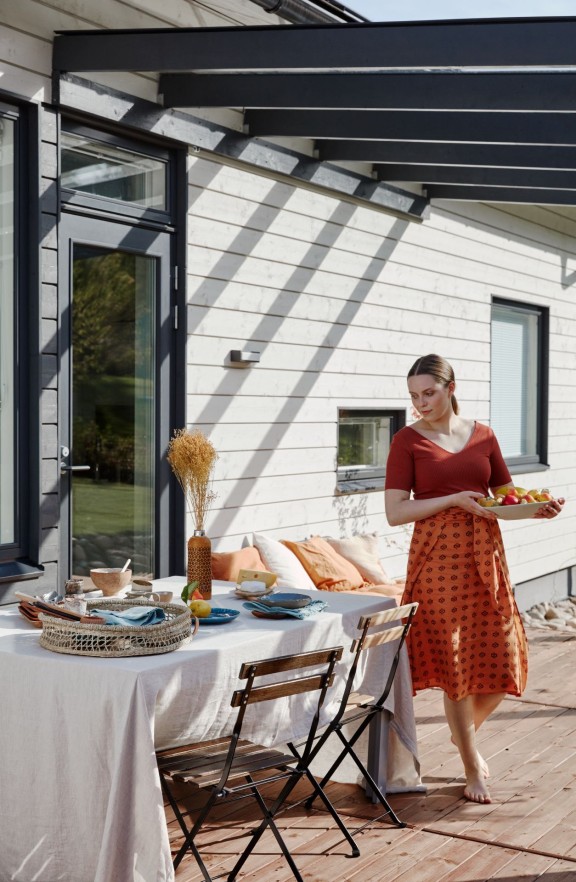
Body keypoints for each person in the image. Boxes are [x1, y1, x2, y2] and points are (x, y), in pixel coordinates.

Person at [384, 354, 564, 804]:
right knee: (457, 666)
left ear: (450, 387)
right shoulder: (407, 441)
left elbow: (504, 494)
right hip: (437, 562)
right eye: (413, 396)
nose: (420, 403)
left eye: (428, 392)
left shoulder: (483, 435)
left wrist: (537, 508)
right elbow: (395, 512)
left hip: (486, 557)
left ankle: (462, 735)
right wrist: (451, 501)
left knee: (507, 654)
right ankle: (471, 765)